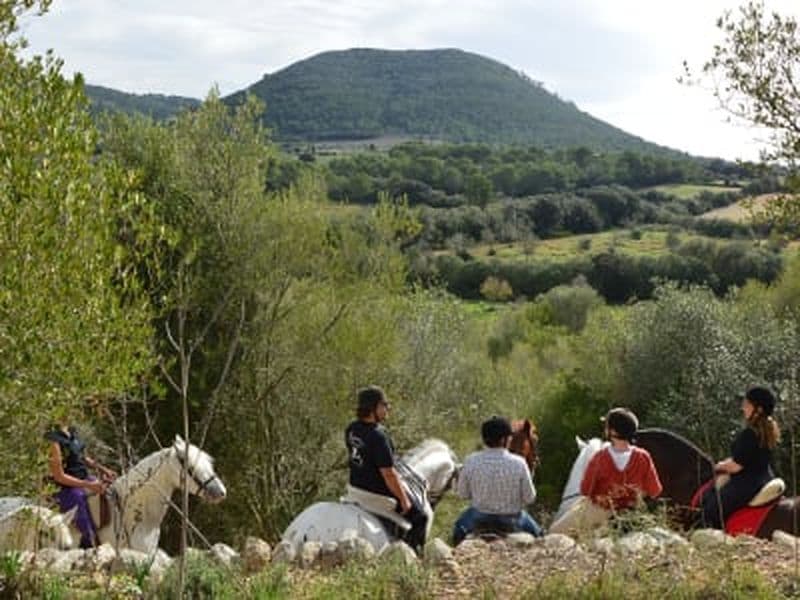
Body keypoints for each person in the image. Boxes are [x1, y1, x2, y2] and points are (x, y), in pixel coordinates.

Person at [550, 407, 662, 534]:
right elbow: (655, 491)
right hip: (632, 512)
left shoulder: (600, 457)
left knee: (554, 532)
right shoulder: (643, 456)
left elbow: (585, 490)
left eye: (607, 426)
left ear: (612, 431)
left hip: (601, 511)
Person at [345, 385, 428, 551]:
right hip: (376, 491)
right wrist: (404, 501)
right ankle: (413, 557)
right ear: (372, 408)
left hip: (356, 487)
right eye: (384, 404)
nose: (387, 408)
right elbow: (389, 474)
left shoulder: (351, 428)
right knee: (421, 517)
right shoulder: (379, 435)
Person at [452, 416, 543, 545]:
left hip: (477, 517)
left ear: (484, 439)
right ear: (504, 440)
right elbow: (530, 498)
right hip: (513, 519)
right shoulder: (519, 463)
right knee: (540, 536)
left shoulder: (470, 460)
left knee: (457, 532)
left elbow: (462, 494)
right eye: (509, 437)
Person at [701, 386, 780, 529]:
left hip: (746, 485)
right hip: (765, 478)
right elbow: (747, 459)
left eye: (747, 404)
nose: (743, 407)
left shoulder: (750, 434)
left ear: (759, 410)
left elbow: (736, 466)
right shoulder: (769, 431)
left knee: (711, 512)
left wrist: (717, 466)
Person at [45, 423, 117, 548]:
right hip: (64, 487)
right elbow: (59, 476)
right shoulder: (52, 440)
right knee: (78, 501)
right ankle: (88, 543)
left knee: (108, 491)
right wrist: (87, 485)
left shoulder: (72, 431)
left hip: (84, 478)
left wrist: (103, 469)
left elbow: (83, 457)